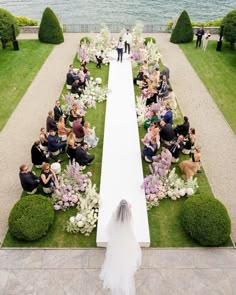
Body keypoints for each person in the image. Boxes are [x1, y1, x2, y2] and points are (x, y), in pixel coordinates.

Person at [100, 199, 141, 295]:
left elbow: (110, 227)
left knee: (115, 254)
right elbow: (130, 226)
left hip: (117, 238)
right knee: (127, 252)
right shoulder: (129, 215)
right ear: (127, 208)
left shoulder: (115, 213)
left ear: (119, 207)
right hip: (125, 237)